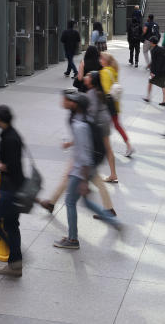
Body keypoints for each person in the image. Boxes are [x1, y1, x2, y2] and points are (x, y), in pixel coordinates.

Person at [53, 91, 122, 249]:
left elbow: (84, 154)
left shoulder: (79, 125)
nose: (64, 101)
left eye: (68, 100)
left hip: (81, 171)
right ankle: (113, 221)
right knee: (86, 202)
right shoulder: (84, 120)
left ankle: (72, 239)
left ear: (75, 105)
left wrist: (83, 180)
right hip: (85, 169)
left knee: (70, 202)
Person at [0, 105, 25, 277]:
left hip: (10, 190)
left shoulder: (9, 138)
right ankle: (15, 262)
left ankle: (16, 259)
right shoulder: (12, 134)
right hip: (14, 188)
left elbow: (11, 166)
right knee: (11, 225)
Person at [99, 53, 134, 160]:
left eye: (101, 59)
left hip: (107, 105)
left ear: (105, 61)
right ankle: (128, 145)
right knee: (116, 125)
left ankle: (103, 149)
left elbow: (105, 90)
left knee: (104, 127)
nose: (100, 60)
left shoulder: (104, 72)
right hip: (115, 103)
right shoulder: (113, 70)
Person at [144, 37, 165, 107]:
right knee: (163, 86)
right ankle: (164, 101)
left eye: (150, 42)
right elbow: (163, 60)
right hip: (163, 70)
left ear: (152, 43)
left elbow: (154, 62)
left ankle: (148, 97)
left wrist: (152, 72)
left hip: (155, 72)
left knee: (150, 82)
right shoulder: (162, 49)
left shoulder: (153, 50)